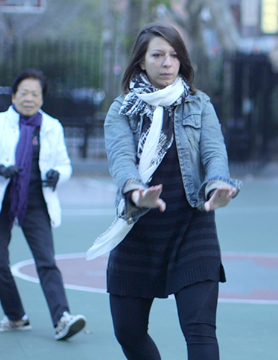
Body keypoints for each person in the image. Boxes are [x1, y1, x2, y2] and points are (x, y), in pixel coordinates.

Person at [89, 23, 241, 360]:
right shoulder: (122, 108)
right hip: (138, 228)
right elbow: (121, 158)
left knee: (200, 330)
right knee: (128, 331)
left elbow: (214, 152)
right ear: (142, 62)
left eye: (174, 55)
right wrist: (135, 191)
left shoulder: (199, 104)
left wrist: (218, 183)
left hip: (192, 226)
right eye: (158, 55)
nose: (167, 62)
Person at [0, 69, 86, 340]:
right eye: (24, 93)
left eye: (35, 94)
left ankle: (62, 319)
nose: (29, 98)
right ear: (13, 96)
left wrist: (58, 174)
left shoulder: (52, 126)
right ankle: (16, 316)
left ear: (42, 98)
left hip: (36, 203)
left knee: (46, 262)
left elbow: (64, 164)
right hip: (0, 200)